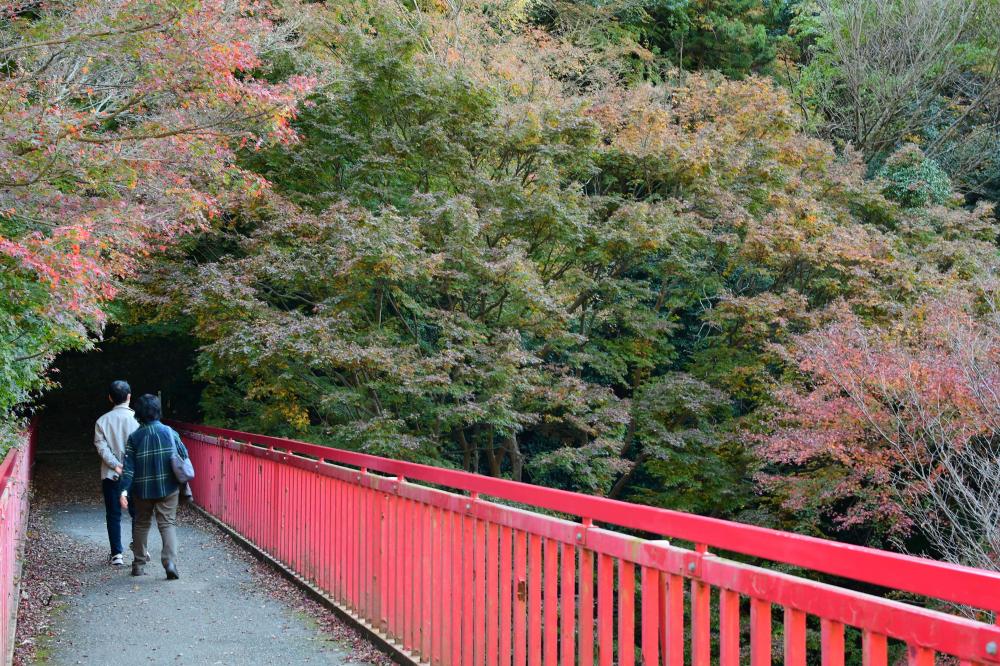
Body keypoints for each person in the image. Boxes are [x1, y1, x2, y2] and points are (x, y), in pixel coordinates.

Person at [119, 394, 188, 580]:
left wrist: (123, 491)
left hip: (142, 490)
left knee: (141, 524)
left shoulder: (135, 437)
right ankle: (169, 563)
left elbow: (128, 469)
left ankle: (139, 565)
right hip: (168, 486)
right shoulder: (169, 432)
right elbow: (184, 454)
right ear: (158, 411)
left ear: (139, 413)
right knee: (167, 524)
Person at [93, 380, 139, 566]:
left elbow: (101, 448)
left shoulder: (102, 421)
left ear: (110, 397)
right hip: (135, 474)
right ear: (129, 396)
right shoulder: (138, 419)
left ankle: (116, 554)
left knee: (113, 514)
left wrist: (115, 465)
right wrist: (128, 466)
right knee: (137, 513)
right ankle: (139, 549)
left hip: (111, 475)